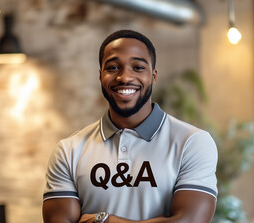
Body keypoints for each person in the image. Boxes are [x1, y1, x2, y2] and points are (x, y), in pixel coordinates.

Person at [42, 29, 218, 223]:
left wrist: (104, 220)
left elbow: (190, 221)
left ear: (154, 75)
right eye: (113, 67)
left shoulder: (192, 142)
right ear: (100, 76)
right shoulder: (68, 151)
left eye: (138, 67)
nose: (124, 77)